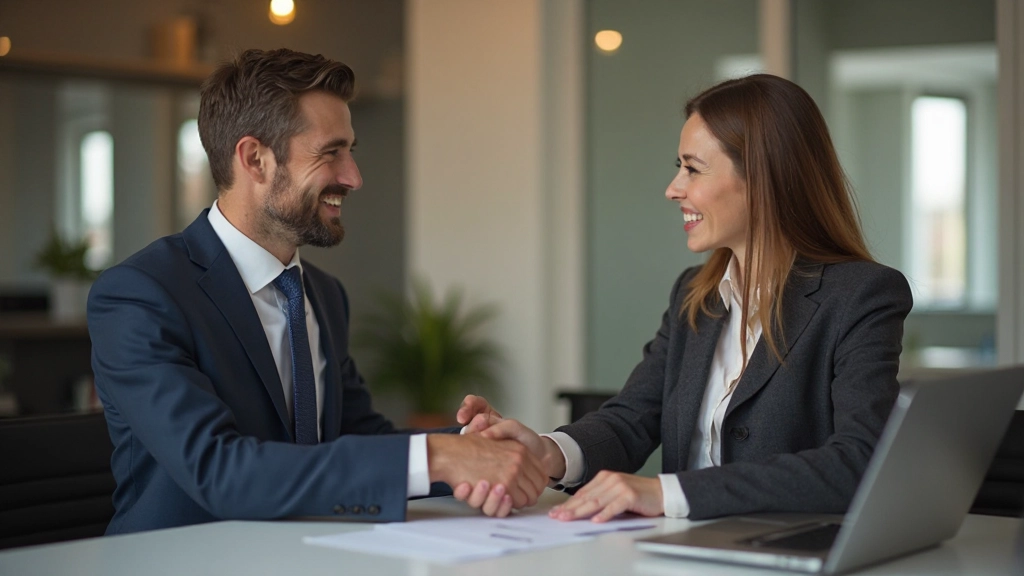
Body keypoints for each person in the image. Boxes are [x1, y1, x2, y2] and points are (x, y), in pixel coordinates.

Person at [87, 48, 545, 534]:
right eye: (331, 153)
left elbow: (359, 439)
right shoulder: (139, 296)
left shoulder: (323, 294)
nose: (353, 177)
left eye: (351, 151)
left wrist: (476, 446)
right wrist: (440, 456)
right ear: (255, 159)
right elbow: (217, 469)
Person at [455, 74, 913, 522]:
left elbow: (858, 461)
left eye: (692, 169)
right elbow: (632, 418)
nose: (674, 189)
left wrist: (665, 492)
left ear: (763, 177)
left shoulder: (861, 295)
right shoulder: (695, 295)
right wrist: (547, 451)